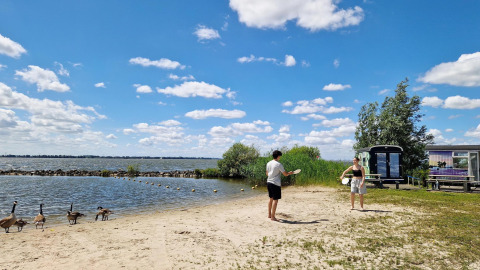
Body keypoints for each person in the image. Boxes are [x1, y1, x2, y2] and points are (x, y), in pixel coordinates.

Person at [266, 150, 293, 221]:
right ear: (278, 156)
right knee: (275, 200)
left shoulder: (268, 163)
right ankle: (273, 217)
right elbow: (285, 174)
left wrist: (272, 175)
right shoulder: (278, 164)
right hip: (275, 184)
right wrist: (289, 173)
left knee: (271, 198)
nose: (280, 157)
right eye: (280, 156)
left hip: (269, 182)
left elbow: (267, 173)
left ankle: (269, 215)